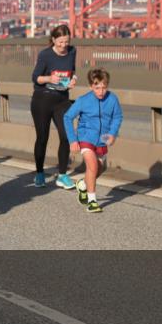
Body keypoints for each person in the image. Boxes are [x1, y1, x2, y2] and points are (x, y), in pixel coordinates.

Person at [63, 68, 122, 213]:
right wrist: (72, 140)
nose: (101, 91)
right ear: (91, 86)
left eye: (104, 87)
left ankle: (83, 184)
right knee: (93, 166)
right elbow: (67, 117)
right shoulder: (83, 100)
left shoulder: (112, 99)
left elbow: (117, 117)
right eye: (97, 88)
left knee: (99, 169)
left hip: (102, 140)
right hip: (86, 138)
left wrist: (113, 134)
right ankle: (92, 201)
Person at [30, 24, 77, 189]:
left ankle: (62, 175)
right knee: (42, 138)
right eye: (60, 42)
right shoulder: (45, 55)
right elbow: (35, 78)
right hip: (42, 99)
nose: (64, 46)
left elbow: (73, 70)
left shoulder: (72, 51)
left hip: (62, 100)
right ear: (53, 40)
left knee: (66, 136)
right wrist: (49, 79)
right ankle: (39, 173)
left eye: (66, 42)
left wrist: (73, 80)